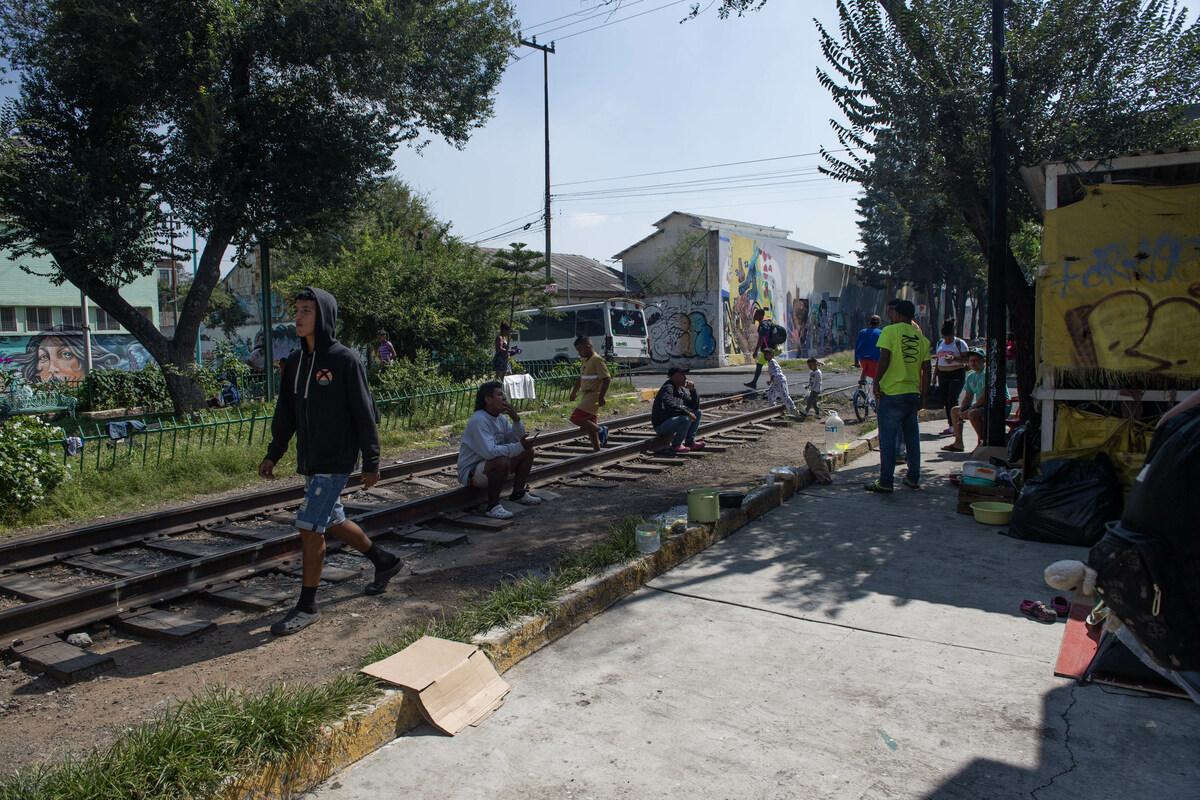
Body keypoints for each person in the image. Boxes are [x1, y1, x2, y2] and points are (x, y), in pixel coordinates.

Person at [259, 287, 402, 636]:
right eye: (297, 310)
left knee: (310, 526)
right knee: (332, 519)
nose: (298, 317)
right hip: (310, 458)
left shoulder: (344, 359)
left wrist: (372, 460)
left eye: (306, 311)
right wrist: (274, 452)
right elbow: (286, 413)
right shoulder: (294, 361)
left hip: (337, 458)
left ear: (322, 316)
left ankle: (306, 607)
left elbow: (364, 412)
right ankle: (385, 562)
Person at [865, 299, 930, 493]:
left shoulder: (889, 331)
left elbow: (885, 357)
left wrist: (876, 382)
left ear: (897, 314)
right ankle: (913, 477)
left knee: (887, 439)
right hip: (912, 394)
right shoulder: (922, 339)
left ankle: (885, 481)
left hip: (891, 393)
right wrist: (924, 394)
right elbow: (927, 368)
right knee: (912, 438)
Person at [457, 381, 541, 520]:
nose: (504, 398)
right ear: (488, 399)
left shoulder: (500, 419)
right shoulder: (479, 420)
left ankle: (518, 493)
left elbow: (515, 440)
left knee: (528, 451)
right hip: (471, 472)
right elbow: (489, 453)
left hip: (488, 466)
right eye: (500, 395)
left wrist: (516, 420)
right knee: (501, 461)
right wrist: (519, 446)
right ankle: (492, 506)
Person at [941, 349, 1011, 453]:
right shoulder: (971, 376)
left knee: (973, 413)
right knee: (955, 410)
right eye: (971, 360)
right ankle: (958, 443)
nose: (973, 363)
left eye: (976, 360)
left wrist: (968, 411)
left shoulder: (987, 374)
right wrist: (962, 411)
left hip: (999, 405)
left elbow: (984, 398)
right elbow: (968, 398)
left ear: (984, 361)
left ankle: (982, 443)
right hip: (983, 405)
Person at [568, 335, 610, 450]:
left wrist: (601, 397)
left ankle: (602, 430)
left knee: (575, 417)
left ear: (587, 346)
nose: (580, 353)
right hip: (585, 395)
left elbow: (606, 379)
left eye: (580, 350)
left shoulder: (597, 360)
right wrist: (574, 392)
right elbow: (581, 378)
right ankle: (597, 450)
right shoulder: (585, 361)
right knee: (590, 426)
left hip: (593, 395)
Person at [651, 367, 705, 453]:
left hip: (673, 421)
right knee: (686, 418)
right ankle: (676, 445)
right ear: (674, 376)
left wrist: (693, 391)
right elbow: (669, 404)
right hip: (661, 425)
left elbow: (695, 406)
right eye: (682, 375)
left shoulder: (679, 390)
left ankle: (690, 442)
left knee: (697, 413)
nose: (685, 378)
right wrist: (687, 413)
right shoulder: (668, 388)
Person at [934, 319, 969, 435]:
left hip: (956, 373)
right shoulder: (940, 343)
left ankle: (956, 424)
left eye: (949, 338)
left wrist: (955, 360)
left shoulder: (960, 343)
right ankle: (951, 425)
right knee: (945, 401)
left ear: (953, 335)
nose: (947, 340)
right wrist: (934, 377)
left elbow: (967, 360)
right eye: (945, 338)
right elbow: (938, 360)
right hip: (942, 375)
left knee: (952, 399)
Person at [764, 349, 801, 417]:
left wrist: (770, 381)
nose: (765, 356)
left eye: (767, 355)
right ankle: (773, 409)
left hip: (780, 381)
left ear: (772, 355)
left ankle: (793, 410)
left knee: (784, 396)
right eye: (764, 355)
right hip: (776, 382)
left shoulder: (772, 362)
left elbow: (775, 373)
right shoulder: (770, 362)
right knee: (771, 395)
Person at [743, 308, 771, 389]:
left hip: (767, 349)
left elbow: (761, 339)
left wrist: (755, 351)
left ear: (761, 315)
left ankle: (754, 383)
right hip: (770, 348)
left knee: (762, 365)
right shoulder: (767, 322)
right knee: (769, 365)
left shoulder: (762, 325)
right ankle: (754, 383)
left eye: (756, 314)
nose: (754, 316)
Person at [853, 315, 882, 386]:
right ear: (878, 324)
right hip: (874, 358)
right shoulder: (880, 333)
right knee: (876, 376)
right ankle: (876, 392)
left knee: (865, 369)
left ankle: (860, 388)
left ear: (869, 323)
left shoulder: (862, 332)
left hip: (862, 357)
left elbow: (856, 347)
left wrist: (856, 362)